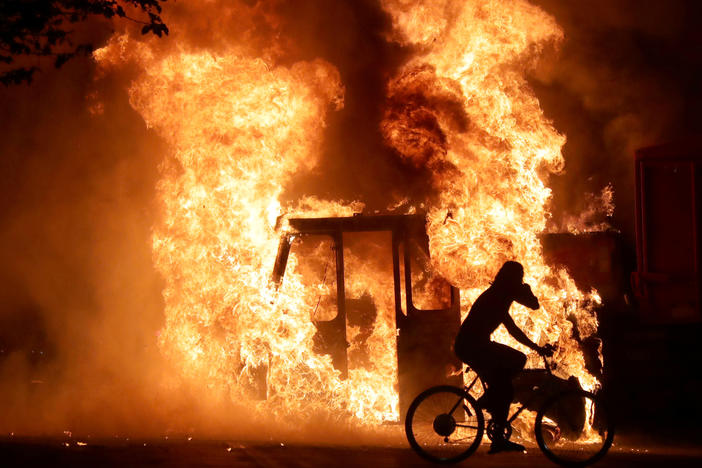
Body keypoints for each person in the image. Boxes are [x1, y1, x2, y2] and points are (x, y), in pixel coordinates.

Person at [454, 261, 554, 454]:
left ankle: (493, 414)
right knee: (514, 367)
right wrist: (526, 290)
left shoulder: (500, 295)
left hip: (475, 345)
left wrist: (535, 347)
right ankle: (488, 403)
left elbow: (525, 315)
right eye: (519, 278)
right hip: (471, 347)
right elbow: (522, 320)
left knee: (504, 388)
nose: (521, 281)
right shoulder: (497, 297)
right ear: (512, 279)